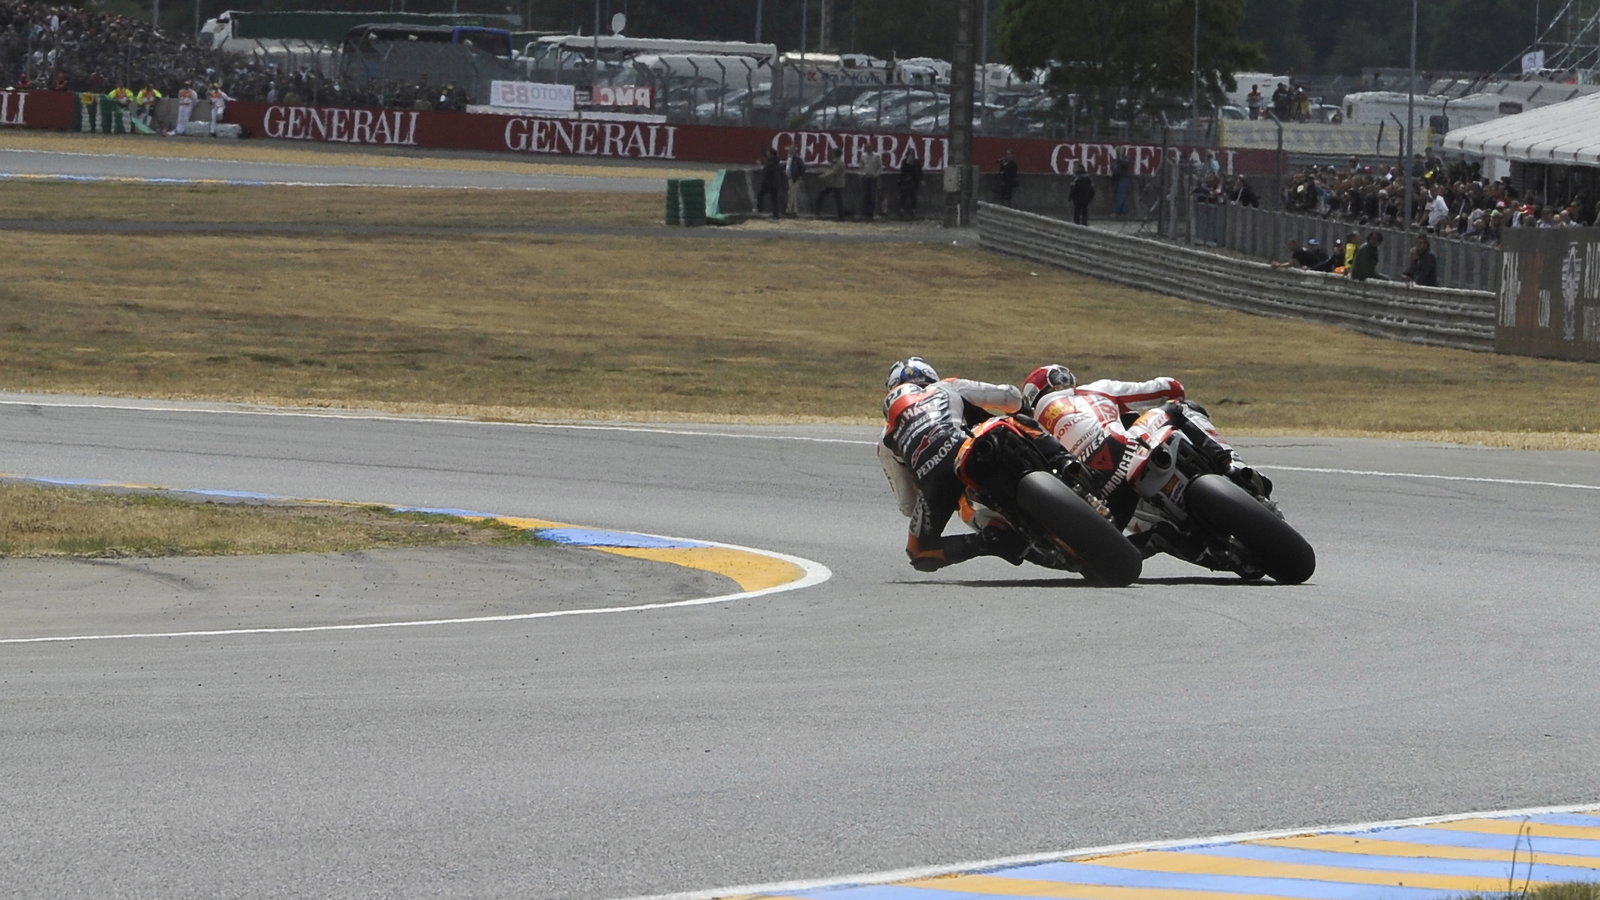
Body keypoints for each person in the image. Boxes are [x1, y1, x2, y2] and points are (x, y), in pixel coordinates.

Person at [1021, 364, 1272, 509]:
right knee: (1181, 407)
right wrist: (1173, 388)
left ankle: (1158, 536)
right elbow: (1168, 388)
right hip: (1128, 449)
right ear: (1060, 380)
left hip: (1099, 492)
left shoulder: (1033, 430)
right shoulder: (1093, 390)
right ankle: (1232, 464)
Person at [878, 357, 1029, 571]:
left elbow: (908, 505)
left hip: (936, 480)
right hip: (969, 447)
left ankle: (991, 539)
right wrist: (1023, 410)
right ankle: (1064, 459)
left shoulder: (885, 438)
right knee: (1022, 423)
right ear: (931, 379)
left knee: (919, 552)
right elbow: (1010, 396)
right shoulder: (947, 385)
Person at [813, 148, 847, 219]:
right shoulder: (835, 161)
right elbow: (831, 170)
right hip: (832, 183)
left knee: (838, 200)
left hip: (838, 184)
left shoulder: (840, 163)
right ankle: (817, 212)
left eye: (833, 153)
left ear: (836, 154)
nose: (831, 154)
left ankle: (841, 217)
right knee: (822, 196)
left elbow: (833, 171)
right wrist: (824, 172)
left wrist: (823, 176)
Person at [755, 146, 783, 220]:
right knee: (774, 200)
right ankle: (775, 215)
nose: (767, 154)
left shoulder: (771, 163)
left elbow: (765, 172)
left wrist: (759, 165)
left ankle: (761, 209)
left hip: (770, 184)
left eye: (768, 153)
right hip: (775, 183)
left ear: (771, 154)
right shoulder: (775, 161)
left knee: (761, 195)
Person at [897, 149, 923, 219]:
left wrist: (921, 180)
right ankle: (901, 212)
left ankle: (913, 212)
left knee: (913, 197)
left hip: (914, 182)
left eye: (912, 154)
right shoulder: (904, 162)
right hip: (905, 182)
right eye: (910, 154)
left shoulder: (916, 162)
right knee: (903, 197)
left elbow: (919, 172)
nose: (911, 155)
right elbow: (902, 171)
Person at [857, 148, 882, 220]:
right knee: (865, 195)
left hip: (873, 177)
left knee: (872, 195)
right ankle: (865, 212)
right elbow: (861, 165)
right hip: (865, 176)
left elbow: (880, 166)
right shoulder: (863, 155)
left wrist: (876, 174)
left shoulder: (877, 156)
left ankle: (871, 213)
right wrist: (862, 173)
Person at [783, 145, 805, 218]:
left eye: (790, 150)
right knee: (793, 194)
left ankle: (788, 210)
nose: (789, 151)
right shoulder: (790, 158)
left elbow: (803, 168)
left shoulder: (797, 159)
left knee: (791, 194)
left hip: (795, 178)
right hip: (790, 178)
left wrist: (799, 176)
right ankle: (795, 210)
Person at [1112, 150, 1132, 215]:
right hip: (1117, 179)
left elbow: (1126, 164)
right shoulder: (1116, 160)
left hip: (1123, 179)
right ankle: (1122, 211)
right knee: (1120, 196)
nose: (1119, 152)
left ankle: (1119, 211)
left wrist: (1119, 160)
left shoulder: (1125, 159)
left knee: (1121, 196)